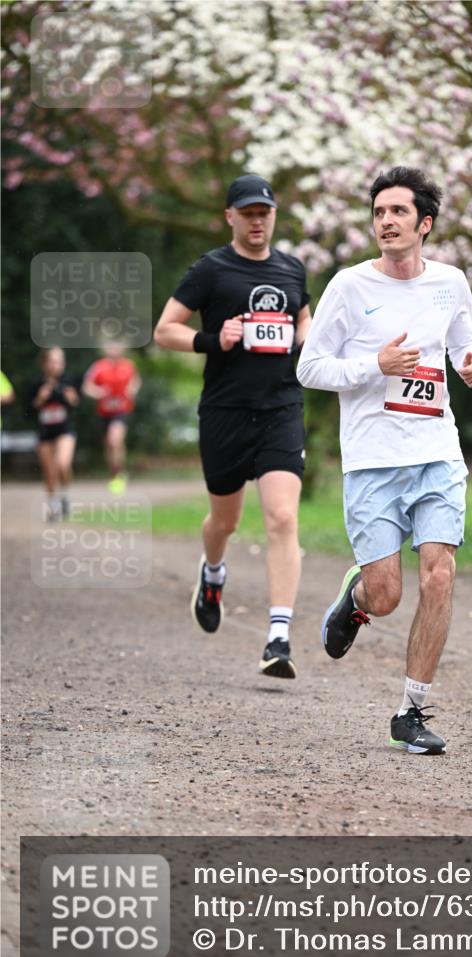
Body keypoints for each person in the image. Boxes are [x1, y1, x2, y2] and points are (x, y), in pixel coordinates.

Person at [297, 165, 472, 755]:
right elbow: (308, 367)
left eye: (398, 212)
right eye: (379, 212)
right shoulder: (350, 288)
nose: (386, 221)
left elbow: (461, 343)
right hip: (374, 460)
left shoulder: (451, 282)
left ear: (424, 223)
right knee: (387, 595)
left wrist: (471, 364)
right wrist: (372, 367)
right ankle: (355, 598)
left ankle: (411, 709)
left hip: (436, 454)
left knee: (439, 575)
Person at [153, 174, 311, 679]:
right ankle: (213, 572)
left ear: (273, 215)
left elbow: (303, 318)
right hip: (224, 410)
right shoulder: (210, 270)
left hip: (281, 408)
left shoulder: (291, 269)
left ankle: (279, 637)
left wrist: (305, 339)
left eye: (264, 211)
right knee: (224, 522)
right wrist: (213, 339)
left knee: (283, 519)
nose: (257, 220)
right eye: (247, 212)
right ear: (230, 217)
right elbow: (164, 331)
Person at [82, 341, 142, 494]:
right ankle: (115, 473)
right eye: (111, 347)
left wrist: (132, 389)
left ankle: (119, 473)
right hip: (104, 412)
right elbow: (86, 387)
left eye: (117, 346)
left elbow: (136, 380)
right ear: (105, 349)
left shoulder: (128, 365)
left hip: (122, 410)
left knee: (114, 439)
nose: (114, 350)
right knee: (109, 445)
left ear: (122, 348)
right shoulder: (98, 367)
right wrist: (98, 392)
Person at [28, 347, 78, 521]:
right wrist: (40, 398)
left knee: (63, 465)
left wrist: (72, 399)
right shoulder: (36, 384)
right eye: (54, 361)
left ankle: (65, 495)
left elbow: (76, 405)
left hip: (65, 430)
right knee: (49, 472)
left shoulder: (68, 381)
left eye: (60, 361)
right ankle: (53, 506)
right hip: (45, 433)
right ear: (44, 363)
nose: (58, 365)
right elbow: (29, 410)